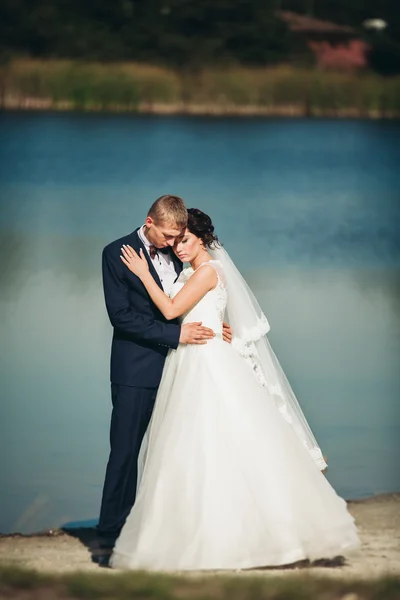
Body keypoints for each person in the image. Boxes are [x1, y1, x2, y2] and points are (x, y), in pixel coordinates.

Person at [109, 208, 360, 571]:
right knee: (195, 448)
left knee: (216, 442)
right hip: (191, 359)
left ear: (203, 240)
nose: (178, 248)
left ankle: (244, 535)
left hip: (207, 365)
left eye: (186, 241)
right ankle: (196, 528)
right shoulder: (195, 271)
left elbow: (169, 310)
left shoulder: (209, 270)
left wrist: (143, 274)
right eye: (176, 241)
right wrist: (218, 324)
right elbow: (201, 313)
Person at [97, 196, 232, 548]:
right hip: (137, 367)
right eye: (168, 237)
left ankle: (163, 525)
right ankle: (112, 529)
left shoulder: (179, 249)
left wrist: (215, 325)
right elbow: (121, 317)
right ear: (149, 222)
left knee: (174, 449)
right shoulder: (116, 253)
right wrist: (177, 334)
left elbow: (191, 295)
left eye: (178, 237)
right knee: (125, 450)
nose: (173, 244)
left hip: (184, 369)